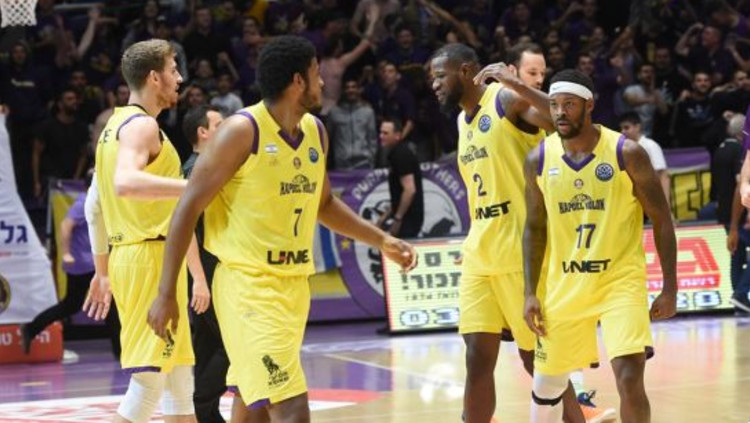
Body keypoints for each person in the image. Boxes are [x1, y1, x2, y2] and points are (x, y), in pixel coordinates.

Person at [147, 35, 417, 423]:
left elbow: (324, 204)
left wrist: (382, 240)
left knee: (254, 404)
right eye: (316, 74)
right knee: (291, 407)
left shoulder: (316, 132)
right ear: (297, 81)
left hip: (293, 286)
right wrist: (166, 293)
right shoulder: (241, 131)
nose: (322, 82)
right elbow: (186, 208)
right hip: (248, 287)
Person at [429, 42, 591, 423]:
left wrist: (515, 84)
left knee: (538, 360)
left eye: (439, 76)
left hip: (521, 252)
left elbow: (565, 121)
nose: (434, 85)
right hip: (480, 253)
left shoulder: (504, 101)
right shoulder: (461, 121)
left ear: (465, 71)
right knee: (476, 356)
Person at [523, 69, 678, 423]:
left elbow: (662, 219)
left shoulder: (627, 153)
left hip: (619, 282)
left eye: (569, 104)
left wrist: (670, 287)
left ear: (589, 105)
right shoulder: (539, 159)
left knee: (629, 378)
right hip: (565, 283)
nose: (560, 112)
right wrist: (530, 292)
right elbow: (534, 228)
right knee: (548, 384)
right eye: (554, 105)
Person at [82, 39, 207, 423]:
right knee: (149, 385)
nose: (179, 78)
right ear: (154, 77)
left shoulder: (113, 127)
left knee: (180, 384)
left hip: (145, 256)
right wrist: (194, 188)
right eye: (173, 70)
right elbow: (125, 183)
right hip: (147, 258)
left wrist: (103, 271)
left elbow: (94, 206)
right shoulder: (141, 126)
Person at [21, 173, 120, 358]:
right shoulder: (83, 202)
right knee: (107, 304)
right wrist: (66, 253)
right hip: (84, 264)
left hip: (87, 263)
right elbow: (66, 226)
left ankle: (31, 328)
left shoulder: (96, 201)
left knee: (73, 305)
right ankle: (120, 351)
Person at [180, 105, 236, 422]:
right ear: (203, 133)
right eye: (219, 125)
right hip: (207, 270)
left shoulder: (207, 166)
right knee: (233, 343)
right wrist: (200, 280)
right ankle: (203, 407)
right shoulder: (196, 170)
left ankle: (207, 415)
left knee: (207, 345)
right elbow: (185, 227)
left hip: (208, 269)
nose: (226, 128)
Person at [377, 118, 424, 238]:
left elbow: (410, 190)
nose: (381, 136)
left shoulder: (401, 154)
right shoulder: (395, 153)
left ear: (397, 135)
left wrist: (398, 219)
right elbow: (399, 196)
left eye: (385, 133)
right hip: (405, 217)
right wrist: (384, 218)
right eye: (381, 132)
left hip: (409, 219)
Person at [619, 112, 671, 213]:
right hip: (631, 203)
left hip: (651, 202)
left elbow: (663, 176)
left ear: (637, 127)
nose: (623, 131)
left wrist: (666, 207)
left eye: (626, 128)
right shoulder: (622, 149)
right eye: (621, 128)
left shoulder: (651, 146)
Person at [327, 78, 378, 170]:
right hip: (341, 164)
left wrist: (371, 158)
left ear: (359, 90)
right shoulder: (334, 113)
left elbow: (372, 139)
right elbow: (328, 138)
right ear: (343, 91)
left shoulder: (368, 112)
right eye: (347, 87)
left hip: (364, 162)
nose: (350, 90)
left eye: (353, 87)